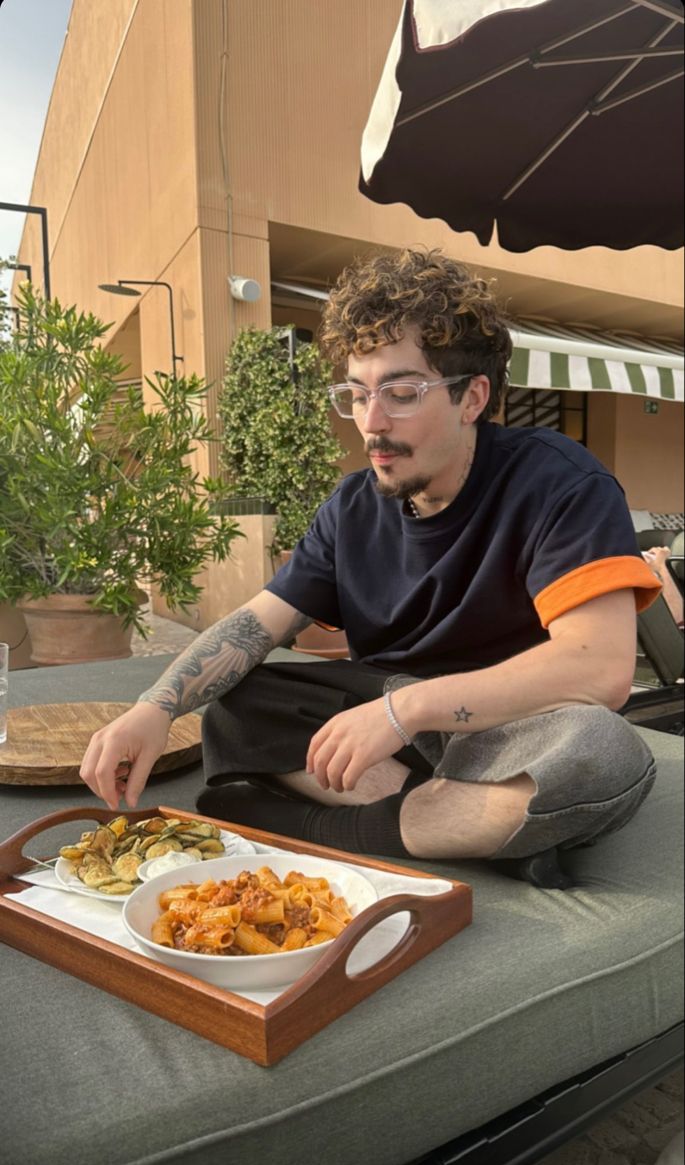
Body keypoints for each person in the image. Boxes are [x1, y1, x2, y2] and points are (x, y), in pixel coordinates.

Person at [80, 248, 661, 887]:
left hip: (507, 728)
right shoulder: (352, 506)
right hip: (391, 724)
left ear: (473, 397)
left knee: (606, 756)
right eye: (355, 395)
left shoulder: (559, 483)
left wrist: (403, 713)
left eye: (401, 393)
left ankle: (329, 826)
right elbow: (256, 624)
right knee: (239, 699)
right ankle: (474, 827)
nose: (371, 424)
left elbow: (599, 670)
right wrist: (155, 708)